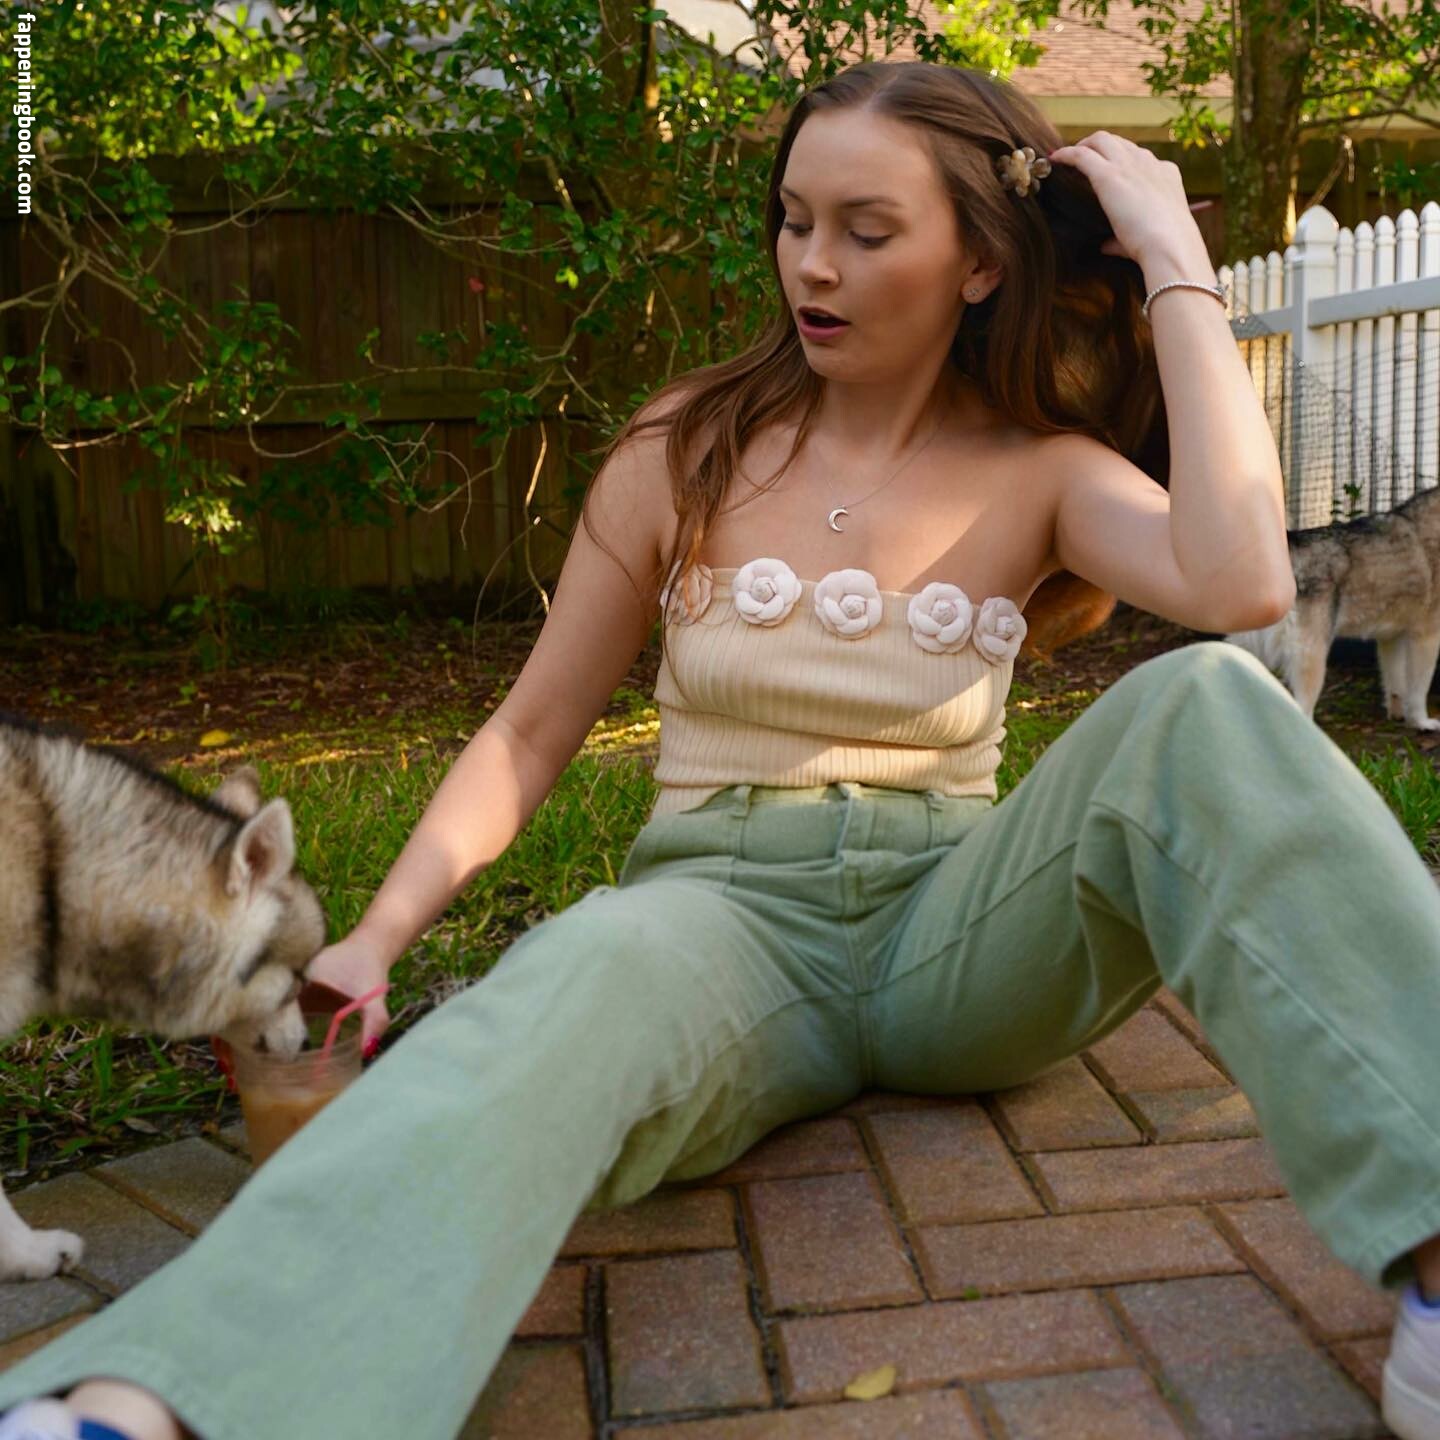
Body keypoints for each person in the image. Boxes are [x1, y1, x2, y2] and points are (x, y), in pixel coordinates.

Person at [3, 58, 1440, 1440]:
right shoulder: (684, 446)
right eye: (795, 220)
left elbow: (1246, 580)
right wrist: (378, 937)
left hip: (962, 931)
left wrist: (1175, 257)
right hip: (716, 924)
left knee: (1210, 703)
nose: (812, 264)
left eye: (867, 231)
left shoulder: (1045, 472)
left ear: (980, 264)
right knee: (563, 979)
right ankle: (154, 1406)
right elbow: (532, 729)